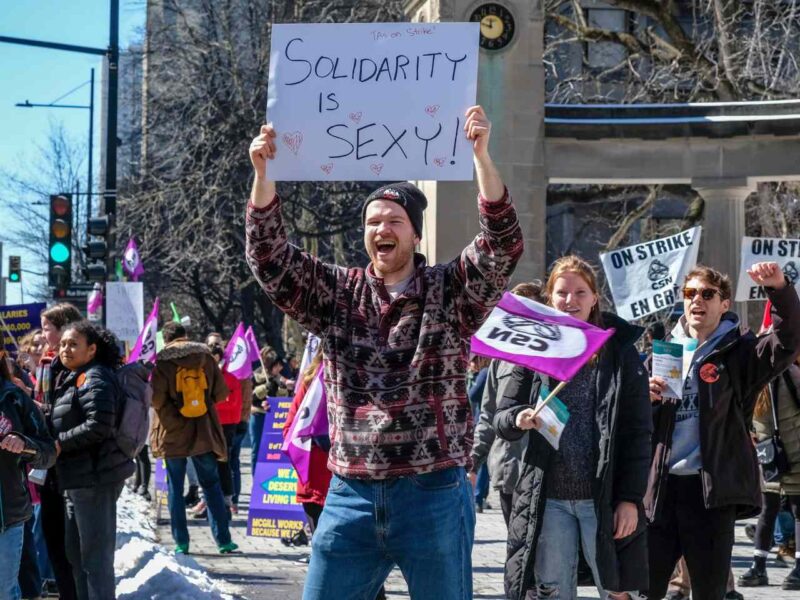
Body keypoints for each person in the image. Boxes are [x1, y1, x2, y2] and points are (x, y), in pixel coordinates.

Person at [246, 105, 522, 600]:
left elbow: (502, 246)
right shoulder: (336, 293)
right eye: (373, 221)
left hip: (432, 492)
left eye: (394, 219)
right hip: (350, 492)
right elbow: (269, 260)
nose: (381, 228)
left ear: (415, 233)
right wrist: (263, 175)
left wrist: (482, 156)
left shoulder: (451, 290)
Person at [494, 256, 651, 600]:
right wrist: (519, 418)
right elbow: (502, 417)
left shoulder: (619, 351)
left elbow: (639, 433)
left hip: (603, 498)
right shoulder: (533, 349)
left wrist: (629, 499)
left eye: (581, 292)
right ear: (549, 297)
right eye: (562, 292)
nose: (571, 300)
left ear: (595, 297)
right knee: (553, 591)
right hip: (548, 498)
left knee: (619, 591)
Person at [646, 262, 800, 600]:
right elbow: (636, 416)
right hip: (661, 489)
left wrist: (779, 289)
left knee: (709, 591)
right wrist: (646, 396)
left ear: (724, 304)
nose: (697, 300)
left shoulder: (739, 352)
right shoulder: (665, 350)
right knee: (645, 589)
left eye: (707, 294)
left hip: (709, 492)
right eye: (690, 294)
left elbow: (788, 340)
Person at [50, 321, 134, 600]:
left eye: (74, 344)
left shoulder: (95, 377)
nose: (65, 349)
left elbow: (99, 424)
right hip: (77, 480)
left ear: (92, 349)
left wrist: (61, 443)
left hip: (95, 480)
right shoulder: (76, 376)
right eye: (63, 344)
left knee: (96, 562)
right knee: (77, 557)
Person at [150, 322, 237, 554]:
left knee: (175, 488)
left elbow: (156, 400)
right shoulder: (205, 356)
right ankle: (224, 540)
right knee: (211, 485)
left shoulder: (162, 362)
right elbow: (220, 393)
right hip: (203, 431)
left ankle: (181, 542)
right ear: (186, 336)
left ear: (166, 339)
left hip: (172, 433)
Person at [469, 281, 543, 528]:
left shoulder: (555, 359)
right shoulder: (501, 361)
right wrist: (473, 463)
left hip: (545, 473)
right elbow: (488, 416)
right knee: (516, 551)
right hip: (509, 470)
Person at [739, 360, 800, 589]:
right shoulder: (778, 373)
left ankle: (768, 567)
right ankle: (772, 567)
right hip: (781, 451)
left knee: (782, 510)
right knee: (782, 510)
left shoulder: (778, 373)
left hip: (779, 451)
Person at [0, 351, 56, 600]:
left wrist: (24, 444)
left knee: (4, 590)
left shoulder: (13, 397)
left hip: (7, 517)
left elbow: (48, 451)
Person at [36, 304, 82, 600]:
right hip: (52, 459)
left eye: (47, 328)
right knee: (54, 535)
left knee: (67, 541)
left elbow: (73, 412)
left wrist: (41, 411)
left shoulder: (75, 368)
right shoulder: (48, 363)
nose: (43, 335)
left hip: (67, 462)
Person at [250, 348, 285, 469]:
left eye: (281, 365)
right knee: (257, 449)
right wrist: (265, 387)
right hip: (258, 416)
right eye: (277, 365)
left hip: (275, 418)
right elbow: (251, 397)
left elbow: (284, 398)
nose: (279, 368)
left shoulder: (280, 378)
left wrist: (285, 387)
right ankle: (255, 478)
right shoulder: (256, 375)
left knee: (273, 450)